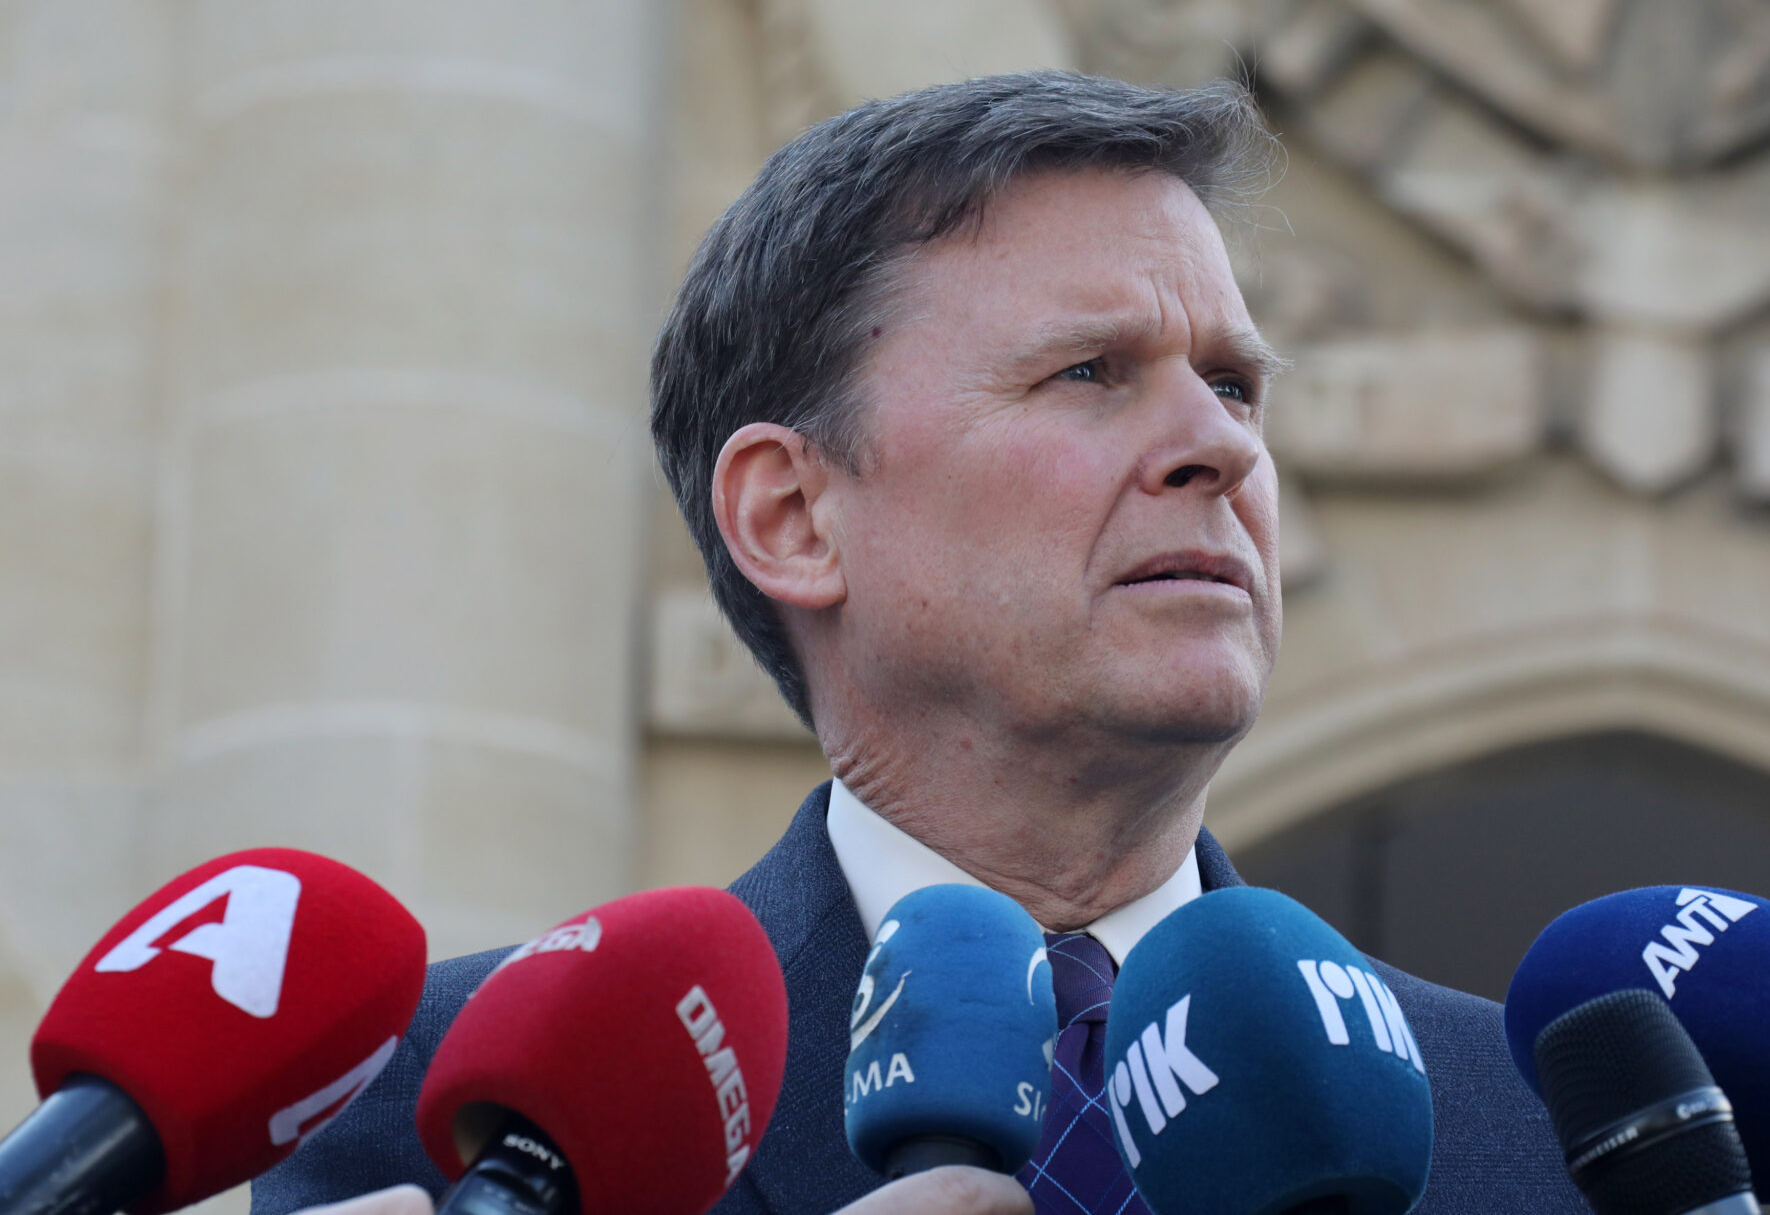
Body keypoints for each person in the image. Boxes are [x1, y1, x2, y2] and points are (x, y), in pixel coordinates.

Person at [251, 72, 1587, 1215]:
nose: (1220, 446)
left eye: (1232, 384)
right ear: (793, 517)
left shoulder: (1547, 1137)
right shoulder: (465, 1114)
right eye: (1090, 372)